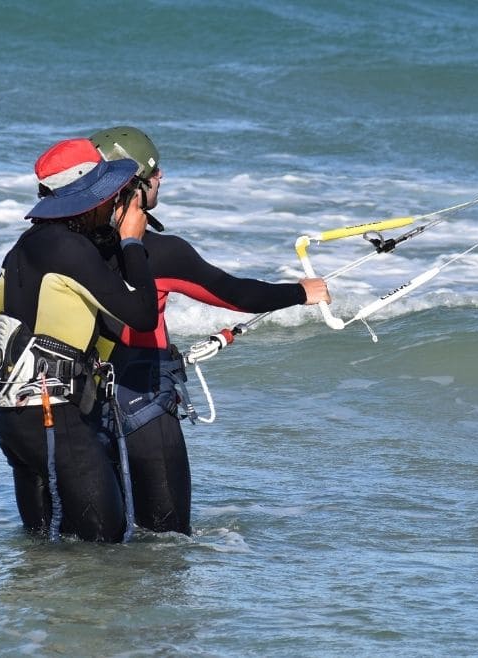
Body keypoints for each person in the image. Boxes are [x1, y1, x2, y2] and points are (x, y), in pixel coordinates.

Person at [87, 126, 331, 535]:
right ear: (134, 187)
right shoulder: (159, 252)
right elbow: (235, 294)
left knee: (106, 539)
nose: (161, 177)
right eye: (155, 172)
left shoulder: (65, 246)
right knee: (167, 542)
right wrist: (300, 292)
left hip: (86, 408)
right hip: (144, 406)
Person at [0, 137, 157, 543]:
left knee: (42, 552)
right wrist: (131, 242)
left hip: (15, 422)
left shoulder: (23, 248)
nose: (114, 203)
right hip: (58, 423)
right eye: (108, 195)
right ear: (89, 199)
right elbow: (142, 316)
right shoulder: (71, 250)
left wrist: (44, 360)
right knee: (105, 551)